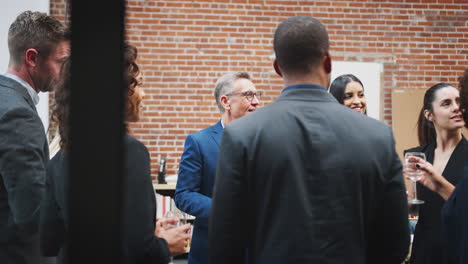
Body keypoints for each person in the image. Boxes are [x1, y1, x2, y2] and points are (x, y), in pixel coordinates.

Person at [209, 15, 409, 264]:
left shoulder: (242, 135)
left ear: (277, 67)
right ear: (328, 62)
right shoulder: (377, 135)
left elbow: (223, 244)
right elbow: (396, 242)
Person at [39, 44, 191, 264]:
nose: (143, 93)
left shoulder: (58, 161)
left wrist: (145, 234)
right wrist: (165, 245)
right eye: (138, 84)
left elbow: (48, 242)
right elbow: (138, 250)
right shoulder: (130, 152)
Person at [0, 11, 70, 264]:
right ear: (32, 58)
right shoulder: (17, 113)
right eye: (61, 62)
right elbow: (32, 213)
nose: (64, 72)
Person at [174, 71, 260, 264]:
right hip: (213, 251)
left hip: (258, 251)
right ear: (226, 101)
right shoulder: (198, 142)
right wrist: (227, 211)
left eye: (256, 95)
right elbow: (184, 194)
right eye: (248, 95)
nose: (256, 102)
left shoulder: (266, 141)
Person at [406, 69, 468, 264]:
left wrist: (440, 185)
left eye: (459, 102)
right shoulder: (416, 156)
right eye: (446, 104)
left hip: (457, 251)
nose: (456, 108)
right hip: (424, 251)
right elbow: (412, 214)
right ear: (429, 114)